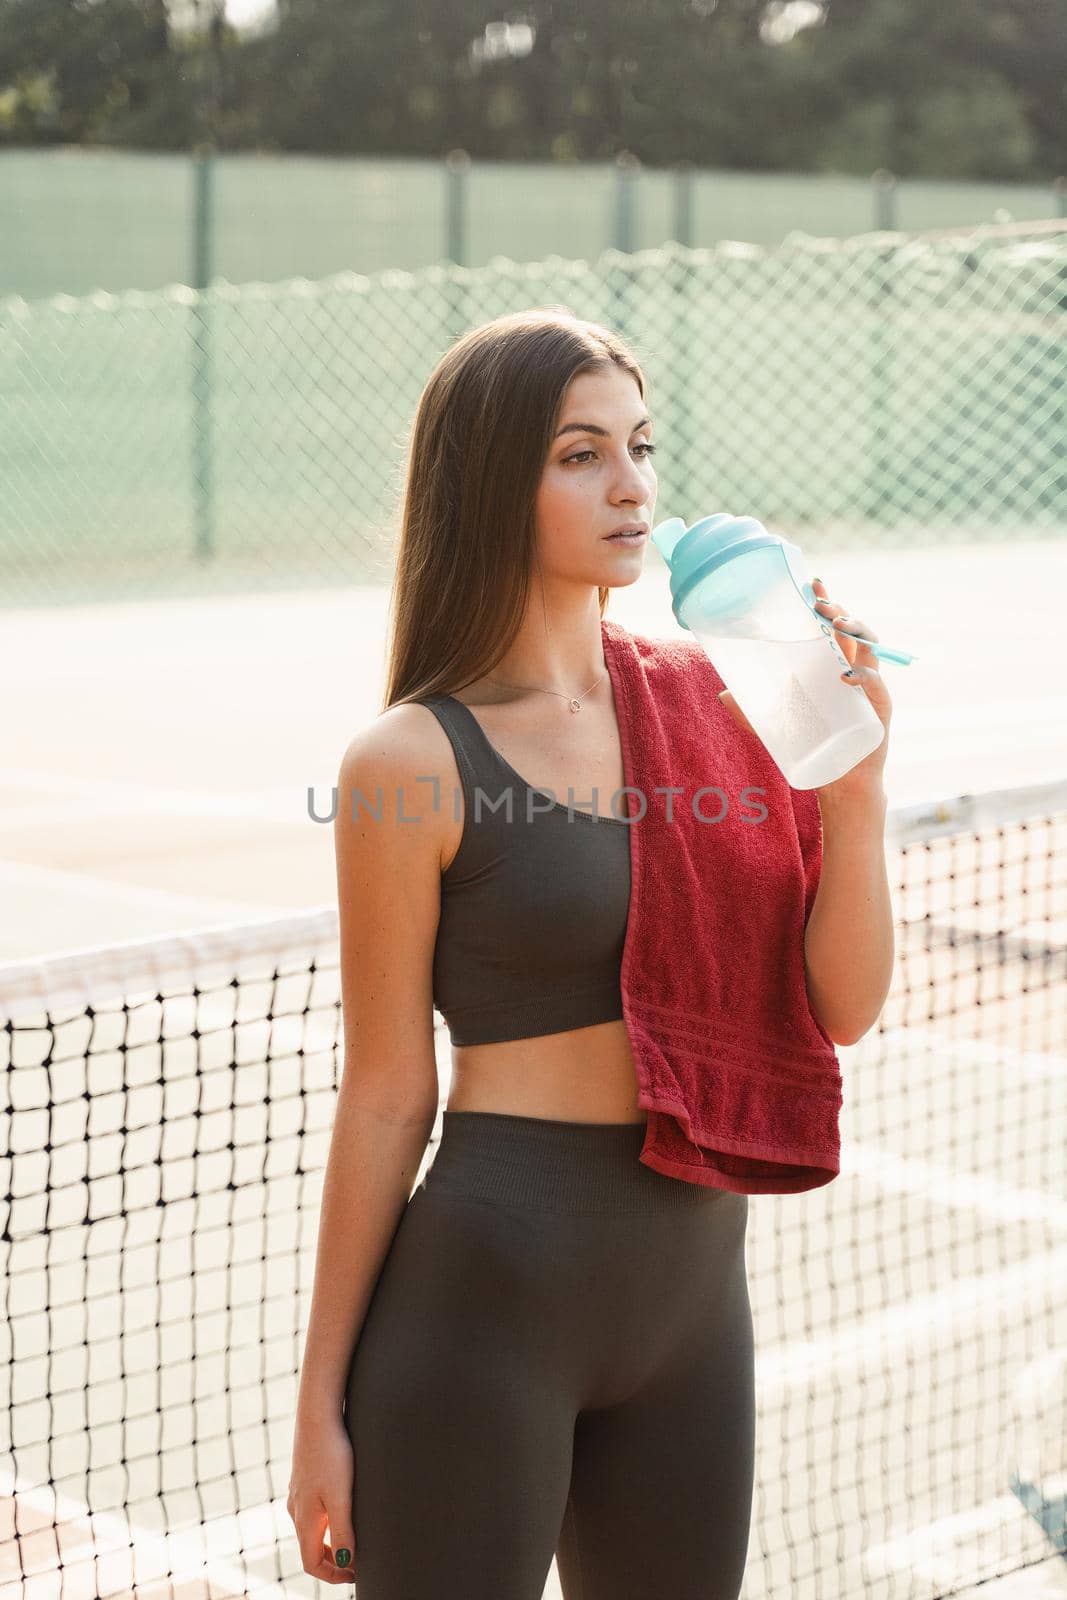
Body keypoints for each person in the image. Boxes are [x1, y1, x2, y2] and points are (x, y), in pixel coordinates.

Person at [285, 307, 894, 1599]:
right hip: (484, 1305)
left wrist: (855, 781)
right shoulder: (407, 763)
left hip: (692, 1302)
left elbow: (839, 1009)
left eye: (641, 445)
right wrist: (320, 1405)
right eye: (579, 454)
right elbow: (388, 1091)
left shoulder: (727, 707)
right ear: (489, 480)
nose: (632, 486)